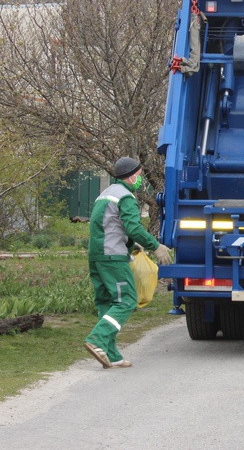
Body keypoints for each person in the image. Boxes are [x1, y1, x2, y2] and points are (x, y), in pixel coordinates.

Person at [84, 156, 172, 369]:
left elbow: (109, 226)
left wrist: (131, 244)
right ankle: (97, 339)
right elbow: (133, 227)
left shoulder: (105, 194)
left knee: (106, 302)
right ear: (132, 176)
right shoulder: (126, 197)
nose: (141, 179)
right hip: (113, 258)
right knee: (127, 301)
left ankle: (111, 353)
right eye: (140, 175)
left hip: (97, 255)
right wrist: (155, 246)